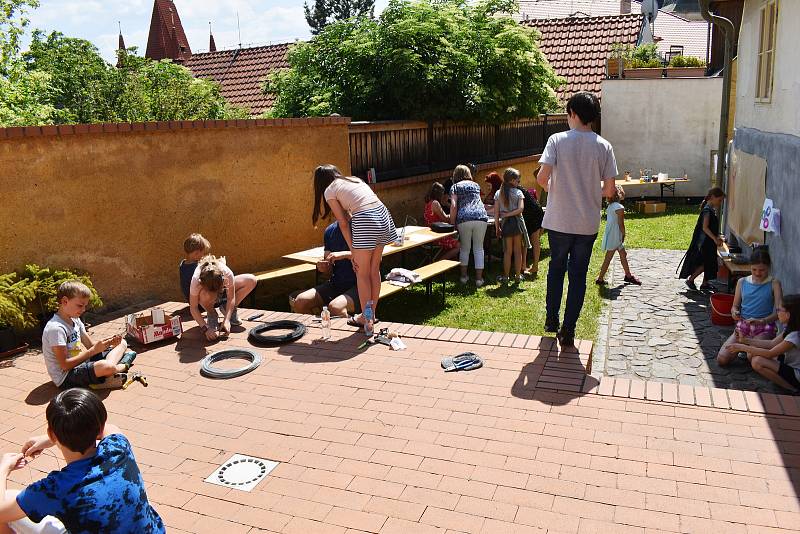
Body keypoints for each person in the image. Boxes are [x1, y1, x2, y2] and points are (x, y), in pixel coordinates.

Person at [0, 388, 164, 533]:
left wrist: (3, 469)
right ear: (98, 429)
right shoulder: (118, 449)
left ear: (52, 433)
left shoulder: (54, 489)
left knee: (7, 501)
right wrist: (52, 438)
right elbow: (109, 427)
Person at [537, 92, 617, 348]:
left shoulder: (556, 140)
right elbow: (609, 190)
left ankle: (552, 318)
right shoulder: (604, 146)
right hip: (587, 223)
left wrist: (556, 189)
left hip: (559, 220)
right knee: (579, 276)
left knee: (556, 269)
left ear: (573, 113)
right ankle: (568, 329)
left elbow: (541, 178)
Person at [312, 164, 397, 327]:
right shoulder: (354, 180)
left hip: (366, 219)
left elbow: (343, 223)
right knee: (373, 271)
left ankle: (366, 317)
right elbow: (354, 208)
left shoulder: (329, 190)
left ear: (320, 183)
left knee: (362, 273)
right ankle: (371, 314)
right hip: (383, 214)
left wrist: (353, 250)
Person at [42, 281, 133, 390]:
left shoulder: (75, 319)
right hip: (66, 377)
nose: (83, 309)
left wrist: (109, 342)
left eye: (85, 306)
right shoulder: (56, 329)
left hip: (82, 363)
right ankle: (118, 367)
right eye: (80, 305)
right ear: (65, 301)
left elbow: (90, 346)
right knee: (105, 366)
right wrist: (93, 351)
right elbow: (65, 365)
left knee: (122, 343)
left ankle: (110, 371)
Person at [717, 248, 783, 366]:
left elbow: (780, 312)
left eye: (762, 270)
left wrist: (762, 321)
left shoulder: (774, 283)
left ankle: (747, 348)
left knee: (751, 356)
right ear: (750, 267)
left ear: (769, 267)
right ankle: (744, 346)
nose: (758, 273)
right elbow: (735, 306)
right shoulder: (742, 282)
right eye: (754, 269)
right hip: (743, 327)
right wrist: (735, 312)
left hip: (764, 327)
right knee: (722, 359)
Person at [727, 294, 800, 392]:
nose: (777, 313)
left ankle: (793, 389)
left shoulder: (794, 335)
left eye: (779, 310)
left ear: (788, 315)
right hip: (789, 363)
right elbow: (771, 344)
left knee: (757, 361)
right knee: (754, 354)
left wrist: (741, 347)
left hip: (797, 374)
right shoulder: (791, 328)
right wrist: (745, 341)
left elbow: (770, 353)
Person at [293, 221, 359, 318]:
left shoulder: (360, 226)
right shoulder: (330, 230)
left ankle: (351, 330)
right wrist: (324, 268)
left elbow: (371, 256)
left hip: (361, 285)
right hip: (336, 284)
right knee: (300, 302)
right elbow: (329, 270)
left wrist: (345, 255)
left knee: (335, 308)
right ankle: (317, 331)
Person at [189, 255, 256, 341]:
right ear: (201, 283)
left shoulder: (227, 273)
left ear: (223, 280)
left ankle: (226, 308)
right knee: (203, 295)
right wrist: (205, 328)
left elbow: (231, 298)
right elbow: (193, 307)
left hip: (223, 287)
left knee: (251, 280)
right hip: (205, 293)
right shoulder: (196, 280)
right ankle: (212, 314)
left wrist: (227, 319)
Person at [678, 187, 726, 291]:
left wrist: (717, 237)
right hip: (705, 242)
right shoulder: (707, 210)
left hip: (709, 242)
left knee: (710, 262)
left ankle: (705, 283)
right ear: (713, 197)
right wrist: (714, 238)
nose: (720, 203)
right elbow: (705, 227)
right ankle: (691, 279)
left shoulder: (711, 210)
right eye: (719, 200)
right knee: (706, 263)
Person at [449, 164, 488, 287]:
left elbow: (454, 205)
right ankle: (479, 279)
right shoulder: (476, 185)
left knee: (465, 248)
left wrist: (452, 223)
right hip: (481, 216)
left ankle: (464, 277)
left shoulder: (455, 187)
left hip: (464, 218)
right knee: (478, 248)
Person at [596, 185, 641, 286]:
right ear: (619, 194)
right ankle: (600, 279)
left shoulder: (611, 206)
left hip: (612, 234)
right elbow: (621, 224)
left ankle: (628, 275)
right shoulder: (619, 207)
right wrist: (623, 234)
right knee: (608, 257)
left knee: (623, 254)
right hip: (615, 236)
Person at [494, 168, 529, 285]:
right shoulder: (519, 193)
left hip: (505, 224)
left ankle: (505, 277)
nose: (519, 182)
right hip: (517, 224)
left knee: (507, 252)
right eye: (518, 181)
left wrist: (497, 227)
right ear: (513, 180)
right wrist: (510, 214)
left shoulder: (498, 193)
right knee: (517, 251)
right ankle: (518, 276)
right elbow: (521, 209)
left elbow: (496, 213)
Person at [423, 182, 460, 261]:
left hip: (431, 234)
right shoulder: (435, 203)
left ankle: (452, 265)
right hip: (437, 236)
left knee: (453, 241)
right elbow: (445, 219)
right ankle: (439, 263)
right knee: (459, 246)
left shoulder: (428, 203)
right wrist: (453, 212)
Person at [518, 184, 544, 277]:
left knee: (528, 240)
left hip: (532, 213)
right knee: (531, 240)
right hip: (536, 210)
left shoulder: (512, 190)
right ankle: (527, 265)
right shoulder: (519, 188)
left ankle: (526, 266)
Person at [179, 233, 211, 301]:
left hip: (191, 300)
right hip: (201, 302)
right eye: (202, 252)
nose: (203, 255)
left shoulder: (183, 264)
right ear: (196, 253)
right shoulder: (197, 268)